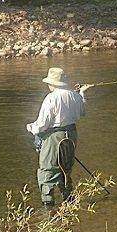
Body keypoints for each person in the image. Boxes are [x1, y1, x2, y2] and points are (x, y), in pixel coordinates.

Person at [27, 67, 89, 209]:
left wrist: (31, 128)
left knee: (47, 170)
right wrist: (82, 94)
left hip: (55, 136)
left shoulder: (52, 97)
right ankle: (69, 202)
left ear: (52, 84)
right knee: (65, 168)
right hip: (72, 134)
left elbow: (43, 124)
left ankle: (48, 208)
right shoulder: (75, 96)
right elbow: (83, 112)